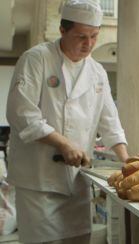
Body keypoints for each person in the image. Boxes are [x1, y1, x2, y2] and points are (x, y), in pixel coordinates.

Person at [6, 1, 129, 243]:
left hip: (76, 181)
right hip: (38, 180)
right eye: (81, 36)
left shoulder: (97, 72)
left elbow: (110, 122)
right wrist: (64, 144)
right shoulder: (36, 59)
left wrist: (127, 161)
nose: (89, 44)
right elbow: (21, 113)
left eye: (94, 36)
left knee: (78, 238)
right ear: (62, 30)